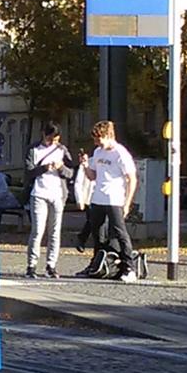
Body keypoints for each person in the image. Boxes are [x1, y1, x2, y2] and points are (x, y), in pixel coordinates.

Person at [77, 120, 140, 281]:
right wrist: (85, 166)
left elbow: (131, 179)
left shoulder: (120, 153)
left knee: (120, 233)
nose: (96, 143)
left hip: (115, 199)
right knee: (98, 234)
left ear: (108, 135)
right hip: (98, 198)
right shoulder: (98, 152)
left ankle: (129, 267)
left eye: (99, 139)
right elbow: (93, 176)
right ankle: (98, 264)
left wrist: (127, 203)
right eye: (95, 140)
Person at [25, 123, 71, 277]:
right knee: (37, 231)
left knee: (55, 232)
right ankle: (31, 266)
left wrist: (61, 168)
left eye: (56, 140)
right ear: (43, 134)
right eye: (49, 139)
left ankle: (51, 266)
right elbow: (29, 172)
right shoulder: (34, 149)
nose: (52, 143)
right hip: (39, 193)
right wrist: (44, 168)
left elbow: (70, 172)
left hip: (57, 194)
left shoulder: (62, 150)